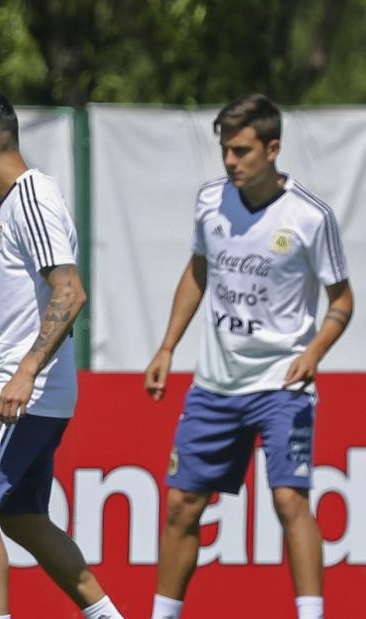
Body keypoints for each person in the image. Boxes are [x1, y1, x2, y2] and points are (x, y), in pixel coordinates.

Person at [143, 94, 353, 619]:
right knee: (180, 506)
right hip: (215, 384)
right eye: (225, 151)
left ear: (273, 148)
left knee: (288, 501)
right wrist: (167, 346)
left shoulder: (310, 216)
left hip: (282, 384)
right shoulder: (210, 201)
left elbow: (343, 301)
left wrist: (315, 351)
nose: (231, 162)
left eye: (241, 151)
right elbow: (197, 272)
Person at [0, 90, 126, 619]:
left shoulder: (33, 196)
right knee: (21, 517)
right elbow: (28, 303)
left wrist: (23, 372)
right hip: (26, 385)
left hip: (23, 393)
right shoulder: (17, 203)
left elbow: (70, 292)